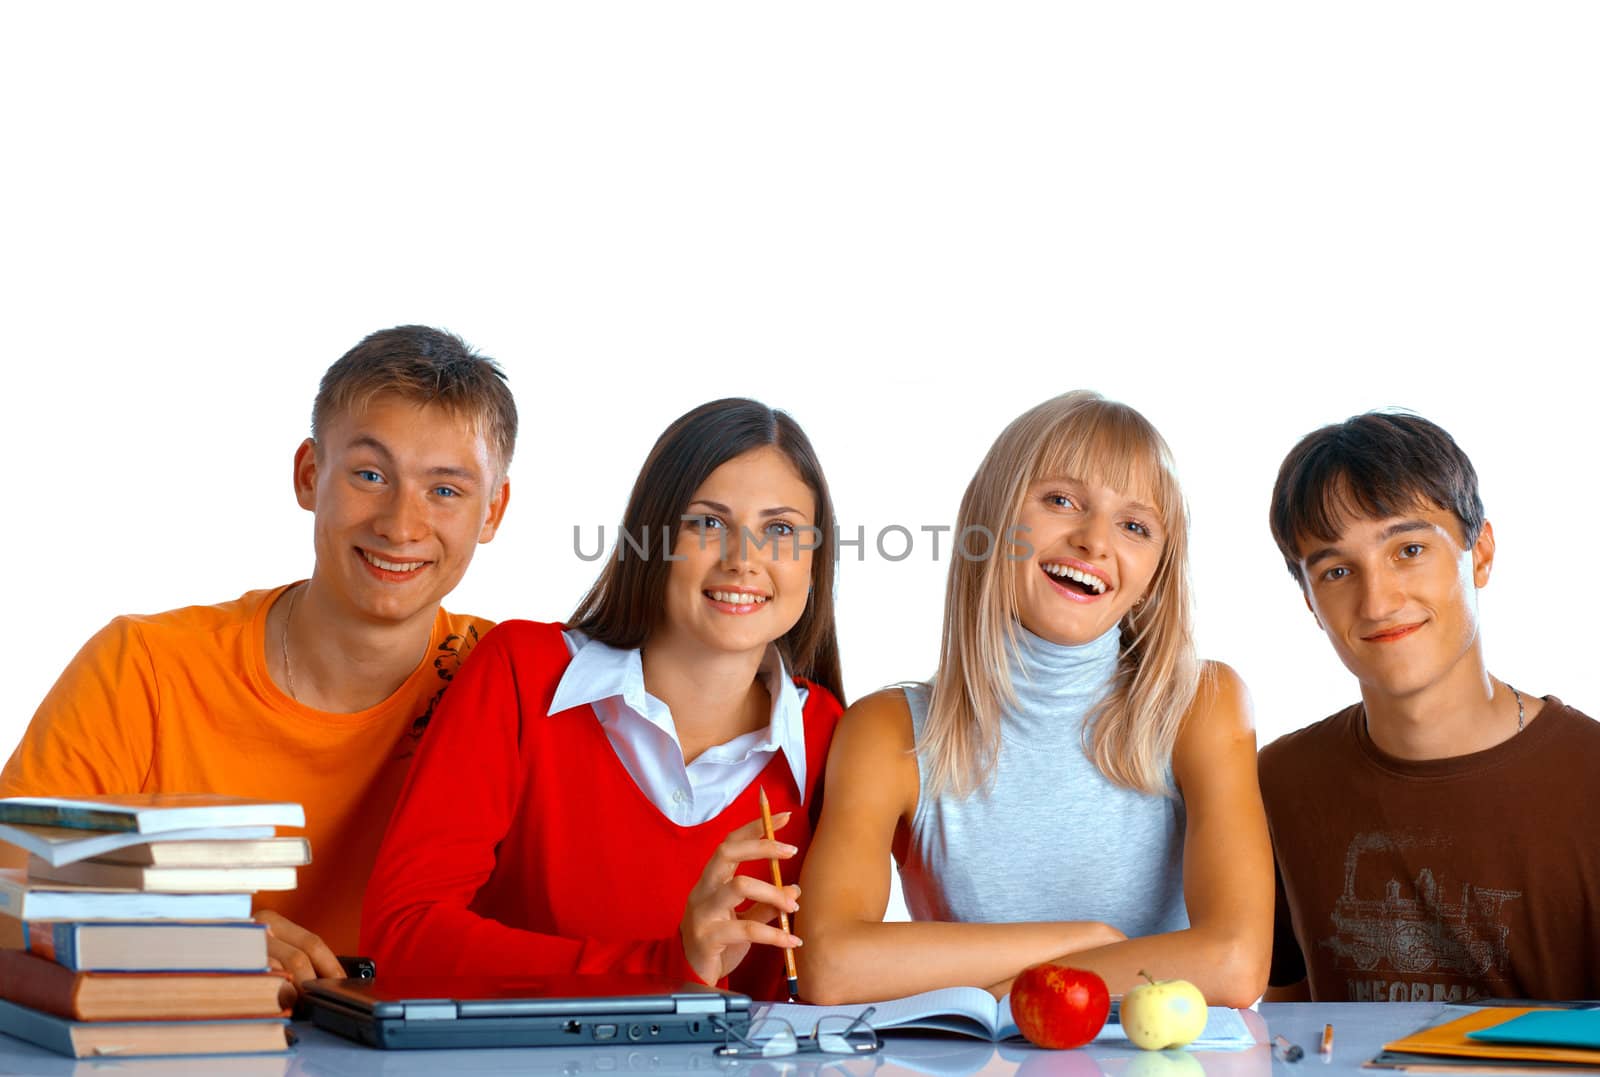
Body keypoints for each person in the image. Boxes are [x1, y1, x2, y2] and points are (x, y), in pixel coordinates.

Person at [0, 325, 515, 986]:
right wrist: (188, 937)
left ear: (493, 510)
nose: (399, 524)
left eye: (445, 490)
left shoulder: (509, 681)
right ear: (309, 474)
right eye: (369, 474)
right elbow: (8, 894)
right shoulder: (144, 667)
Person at [797, 391, 1271, 1007]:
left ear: (1156, 574)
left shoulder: (1201, 706)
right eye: (1061, 501)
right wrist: (1086, 941)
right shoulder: (890, 729)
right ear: (990, 522)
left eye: (1135, 526)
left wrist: (1022, 981)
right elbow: (831, 967)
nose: (1094, 541)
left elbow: (1233, 964)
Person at [361, 398, 845, 1000]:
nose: (744, 560)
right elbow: (402, 937)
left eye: (780, 529)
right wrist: (664, 966)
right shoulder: (520, 674)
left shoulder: (835, 737)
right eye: (707, 523)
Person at [1260, 411, 1600, 1003]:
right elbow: (1283, 1031)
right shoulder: (1277, 784)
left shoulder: (1590, 779)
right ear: (1311, 603)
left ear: (1481, 554)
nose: (1378, 600)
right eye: (1337, 571)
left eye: (1409, 549)